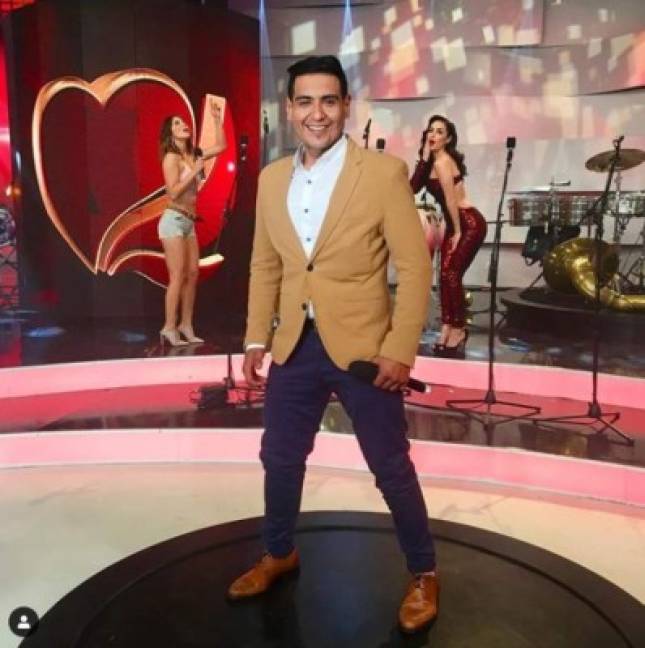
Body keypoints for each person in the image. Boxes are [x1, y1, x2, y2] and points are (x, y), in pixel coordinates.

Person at [228, 55, 438, 634]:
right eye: (305, 101)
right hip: (293, 345)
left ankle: (424, 572)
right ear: (289, 109)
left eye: (328, 100)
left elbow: (414, 267)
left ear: (346, 106)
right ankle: (278, 552)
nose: (316, 113)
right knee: (279, 457)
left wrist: (400, 349)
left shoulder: (383, 173)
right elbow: (264, 265)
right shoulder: (272, 178)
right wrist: (256, 335)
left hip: (366, 350)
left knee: (390, 466)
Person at [410, 115, 487, 357]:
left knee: (452, 274)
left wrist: (458, 231)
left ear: (448, 139)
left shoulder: (443, 162)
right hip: (456, 223)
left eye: (439, 132)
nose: (433, 135)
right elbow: (412, 188)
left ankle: (459, 329)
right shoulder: (432, 162)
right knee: (444, 276)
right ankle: (447, 327)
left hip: (468, 223)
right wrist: (424, 157)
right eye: (430, 130)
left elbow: (451, 201)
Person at [157, 98, 226, 346]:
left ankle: (186, 324)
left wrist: (216, 120)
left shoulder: (194, 154)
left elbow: (221, 146)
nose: (183, 125)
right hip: (173, 220)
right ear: (170, 133)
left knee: (193, 273)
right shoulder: (171, 158)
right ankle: (169, 327)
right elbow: (173, 192)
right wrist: (195, 172)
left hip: (188, 221)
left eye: (183, 122)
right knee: (177, 275)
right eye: (177, 123)